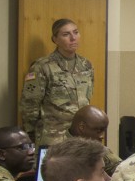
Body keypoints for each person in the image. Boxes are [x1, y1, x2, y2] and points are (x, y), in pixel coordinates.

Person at [20, 18, 94, 146]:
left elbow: (87, 98)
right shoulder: (42, 66)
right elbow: (30, 104)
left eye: (75, 32)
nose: (73, 38)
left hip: (81, 135)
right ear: (55, 39)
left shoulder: (86, 65)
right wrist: (30, 134)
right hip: (53, 136)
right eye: (66, 34)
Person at [49, 105, 122, 175]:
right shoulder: (56, 149)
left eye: (103, 131)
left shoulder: (100, 150)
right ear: (82, 127)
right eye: (98, 130)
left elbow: (123, 170)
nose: (102, 136)